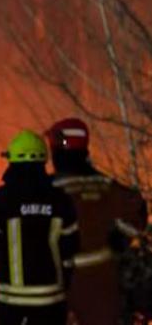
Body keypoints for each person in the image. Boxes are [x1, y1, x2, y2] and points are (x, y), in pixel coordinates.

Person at [46, 117, 148, 325]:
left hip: (61, 289)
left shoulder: (47, 191)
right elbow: (138, 213)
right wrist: (118, 239)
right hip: (105, 287)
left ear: (61, 148)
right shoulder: (107, 187)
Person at [0, 129, 80, 325]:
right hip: (50, 299)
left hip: (8, 301)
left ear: (13, 161)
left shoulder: (0, 199)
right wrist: (65, 278)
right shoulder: (61, 200)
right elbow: (70, 247)